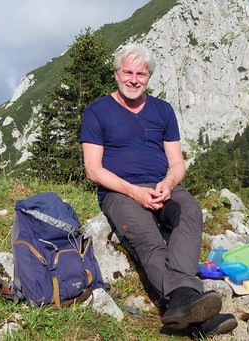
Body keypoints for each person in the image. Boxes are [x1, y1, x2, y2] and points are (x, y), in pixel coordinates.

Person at [80, 43, 237, 337]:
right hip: (120, 192)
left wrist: (168, 183)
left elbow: (177, 163)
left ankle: (182, 306)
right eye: (128, 72)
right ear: (116, 74)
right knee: (151, 241)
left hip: (161, 186)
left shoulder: (162, 110)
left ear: (149, 77)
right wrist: (134, 192)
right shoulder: (97, 111)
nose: (134, 79)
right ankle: (197, 317)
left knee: (189, 211)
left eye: (141, 73)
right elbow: (93, 170)